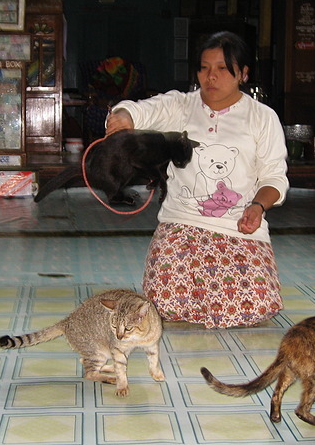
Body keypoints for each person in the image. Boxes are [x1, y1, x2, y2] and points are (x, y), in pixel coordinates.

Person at [105, 31, 289, 328]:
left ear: (242, 73)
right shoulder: (182, 106)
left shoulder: (262, 117)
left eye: (222, 69)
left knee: (255, 305)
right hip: (182, 222)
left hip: (238, 226)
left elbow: (274, 176)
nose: (210, 77)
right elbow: (142, 110)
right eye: (204, 68)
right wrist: (124, 117)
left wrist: (257, 207)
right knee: (163, 301)